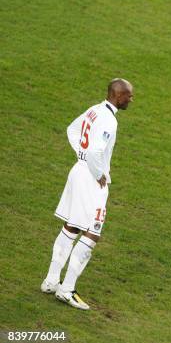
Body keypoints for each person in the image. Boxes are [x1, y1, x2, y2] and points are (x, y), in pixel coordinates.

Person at [41, 79, 134, 310]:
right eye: (128, 96)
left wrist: (81, 157)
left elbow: (72, 130)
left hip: (77, 171)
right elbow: (95, 150)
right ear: (118, 96)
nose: (131, 99)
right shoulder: (109, 120)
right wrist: (98, 172)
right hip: (91, 179)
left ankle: (51, 280)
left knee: (71, 226)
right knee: (93, 233)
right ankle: (67, 289)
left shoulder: (94, 110)